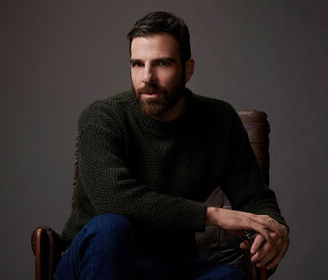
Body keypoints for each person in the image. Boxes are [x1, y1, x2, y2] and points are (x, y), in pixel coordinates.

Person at [54, 11, 289, 279]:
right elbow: (115, 200)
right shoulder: (101, 118)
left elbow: (255, 198)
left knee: (232, 279)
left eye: (162, 64)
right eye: (137, 64)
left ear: (187, 69)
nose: (146, 78)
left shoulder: (219, 121)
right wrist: (213, 216)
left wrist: (274, 231)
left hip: (170, 266)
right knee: (111, 226)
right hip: (96, 262)